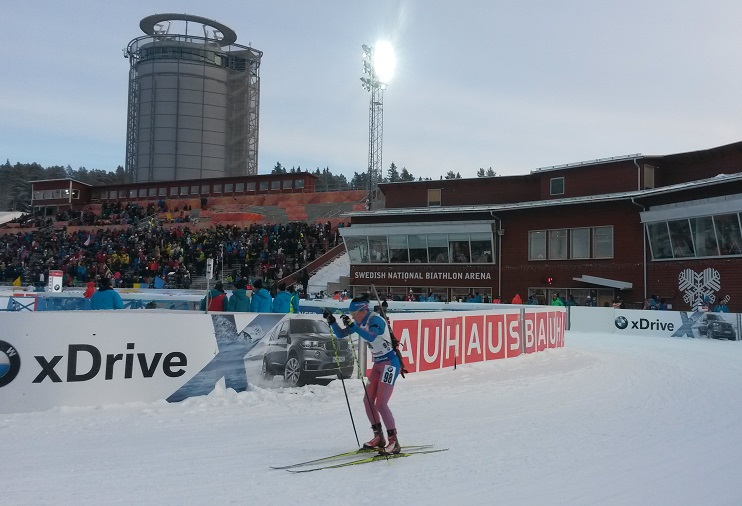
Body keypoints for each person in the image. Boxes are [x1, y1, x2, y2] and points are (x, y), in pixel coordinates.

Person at [324, 295, 402, 455]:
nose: (352, 316)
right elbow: (341, 334)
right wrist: (332, 321)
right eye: (351, 314)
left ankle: (394, 442)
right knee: (368, 401)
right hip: (379, 363)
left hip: (390, 363)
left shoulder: (376, 320)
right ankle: (378, 437)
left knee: (381, 403)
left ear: (363, 309)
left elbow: (371, 336)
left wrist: (353, 325)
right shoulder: (360, 320)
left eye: (354, 313)